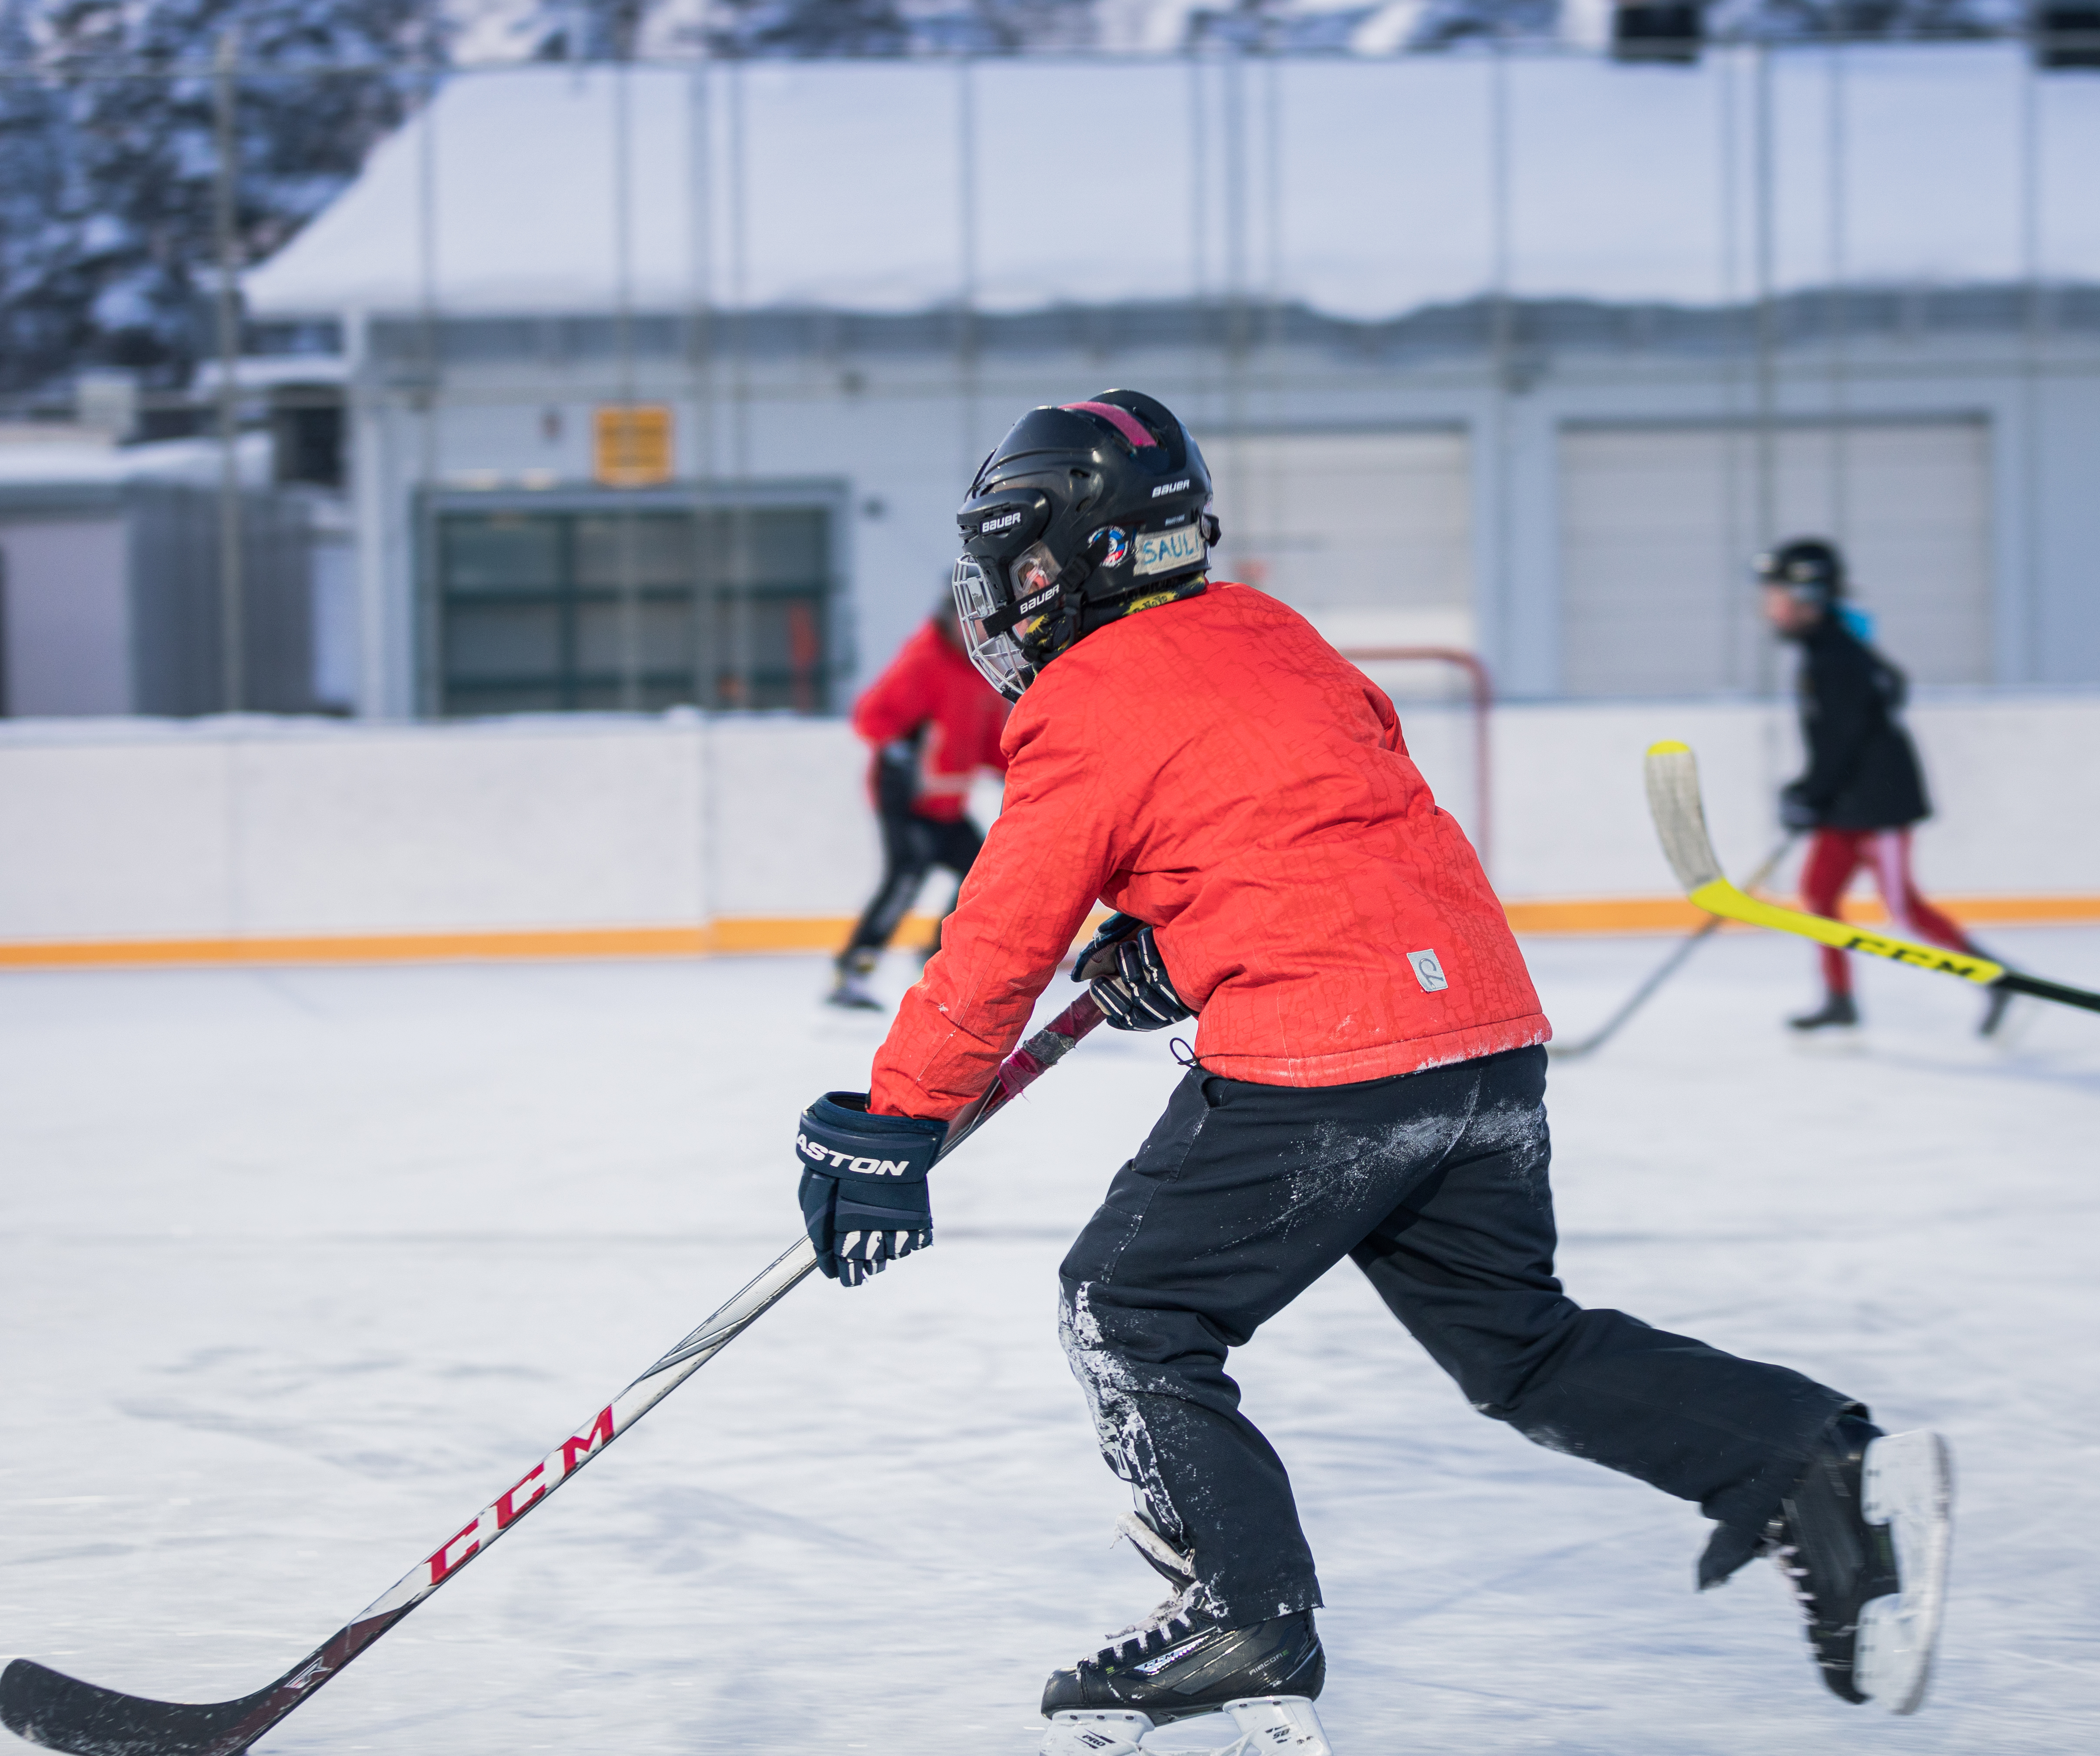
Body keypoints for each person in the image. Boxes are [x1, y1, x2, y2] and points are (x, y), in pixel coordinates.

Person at [787, 392, 1954, 1755]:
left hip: (1323, 1055)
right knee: (1523, 1349)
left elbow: (998, 941)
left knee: (1130, 1309)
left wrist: (895, 1122)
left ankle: (1246, 1613)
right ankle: (1812, 1464)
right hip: (1484, 1041)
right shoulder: (1276, 634)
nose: (1000, 593)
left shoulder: (1087, 700)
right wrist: (1174, 932)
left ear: (1072, 553)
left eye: (1014, 559)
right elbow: (1313, 817)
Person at [1756, 540, 2008, 1038]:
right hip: (1845, 804)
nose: (1770, 608)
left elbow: (1846, 739)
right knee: (1820, 896)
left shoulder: (1837, 657)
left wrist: (1810, 792)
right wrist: (1811, 793)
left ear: (1810, 596)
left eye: (1778, 596)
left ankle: (1996, 980)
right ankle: (1840, 1000)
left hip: (1878, 807)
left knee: (1904, 908)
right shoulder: (1824, 650)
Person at [826, 584, 1011, 1009]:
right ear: (948, 619)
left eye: (980, 627)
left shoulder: (983, 674)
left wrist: (1018, 770)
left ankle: (937, 958)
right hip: (905, 799)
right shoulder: (923, 662)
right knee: (906, 877)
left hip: (947, 803)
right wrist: (900, 751)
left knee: (980, 875)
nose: (973, 634)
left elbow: (988, 746)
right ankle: (853, 971)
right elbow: (870, 717)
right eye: (965, 624)